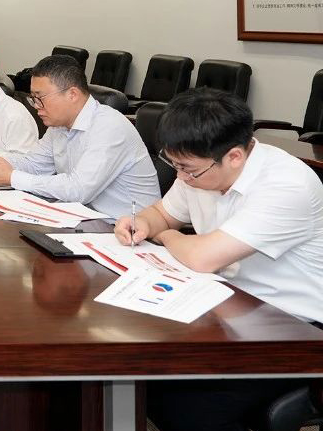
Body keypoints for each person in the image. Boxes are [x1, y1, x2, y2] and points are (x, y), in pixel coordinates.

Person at [114, 89, 323, 431]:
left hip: (294, 328)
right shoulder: (200, 169)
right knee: (136, 369)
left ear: (235, 157)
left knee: (182, 406)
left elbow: (202, 258)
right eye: (174, 165)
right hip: (228, 306)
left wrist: (166, 236)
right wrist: (143, 224)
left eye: (187, 170)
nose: (181, 177)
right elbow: (163, 214)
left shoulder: (288, 185)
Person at [0, 54, 159, 217]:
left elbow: (79, 189)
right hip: (83, 218)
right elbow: (34, 165)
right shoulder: (59, 126)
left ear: (72, 94)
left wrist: (12, 177)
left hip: (127, 229)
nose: (36, 106)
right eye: (33, 98)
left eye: (39, 98)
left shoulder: (109, 126)